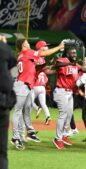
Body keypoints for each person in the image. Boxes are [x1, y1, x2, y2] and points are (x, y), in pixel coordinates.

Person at [12, 38, 64, 150]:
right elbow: (44, 53)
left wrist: (46, 66)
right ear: (23, 46)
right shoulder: (27, 52)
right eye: (27, 43)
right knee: (17, 112)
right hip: (22, 85)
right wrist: (59, 47)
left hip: (25, 85)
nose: (29, 44)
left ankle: (26, 133)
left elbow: (33, 68)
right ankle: (15, 137)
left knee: (26, 110)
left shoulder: (21, 55)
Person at [0, 35, 17, 169]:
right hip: (2, 102)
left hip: (3, 102)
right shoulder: (4, 50)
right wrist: (3, 42)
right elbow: (13, 62)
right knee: (1, 152)